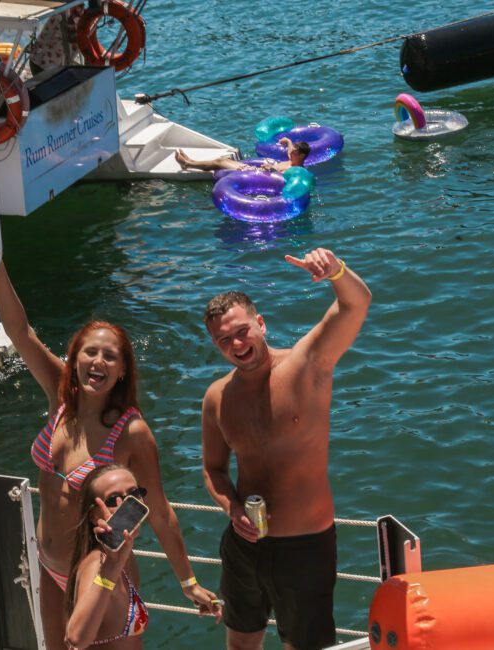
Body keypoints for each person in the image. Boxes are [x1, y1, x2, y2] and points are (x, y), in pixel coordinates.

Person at [0, 261, 221, 650]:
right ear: (75, 357)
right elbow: (19, 331)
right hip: (49, 567)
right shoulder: (61, 396)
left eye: (110, 357)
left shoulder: (131, 432)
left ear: (122, 372)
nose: (98, 361)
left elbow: (161, 510)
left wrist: (189, 582)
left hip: (104, 574)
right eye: (90, 352)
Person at [201, 248, 372, 650]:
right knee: (241, 643)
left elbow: (356, 302)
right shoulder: (216, 398)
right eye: (223, 339)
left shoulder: (307, 365)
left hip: (305, 546)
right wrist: (233, 509)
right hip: (244, 545)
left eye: (242, 330)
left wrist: (336, 271)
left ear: (261, 323)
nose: (236, 343)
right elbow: (213, 470)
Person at [64, 464, 148, 649]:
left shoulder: (125, 553)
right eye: (112, 500)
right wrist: (111, 566)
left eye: (134, 495)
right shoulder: (98, 564)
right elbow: (76, 637)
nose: (125, 505)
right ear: (94, 516)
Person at [175, 138, 310, 174]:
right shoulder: (293, 159)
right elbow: (290, 150)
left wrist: (272, 169)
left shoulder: (296, 169)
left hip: (255, 174)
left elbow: (284, 175)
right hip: (257, 170)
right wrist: (289, 142)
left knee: (220, 162)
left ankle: (187, 164)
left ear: (302, 156)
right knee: (224, 160)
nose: (291, 152)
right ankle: (191, 161)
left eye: (295, 151)